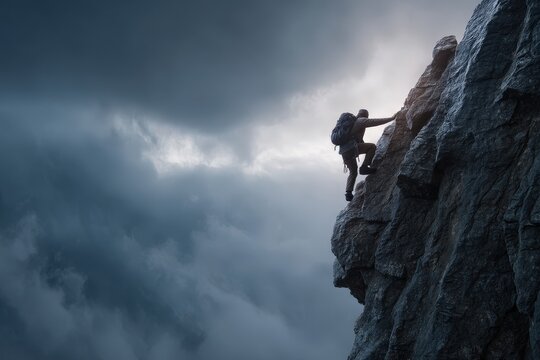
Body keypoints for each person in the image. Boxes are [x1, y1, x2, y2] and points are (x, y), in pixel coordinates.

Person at [341, 108, 398, 202]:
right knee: (371, 147)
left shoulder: (351, 124)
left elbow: (356, 138)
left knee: (353, 172)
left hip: (344, 151)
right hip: (352, 148)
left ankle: (348, 193)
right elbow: (375, 122)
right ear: (365, 115)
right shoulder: (361, 121)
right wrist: (391, 118)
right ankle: (364, 167)